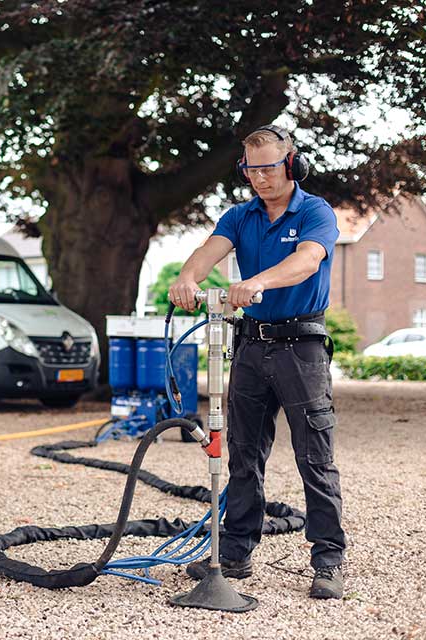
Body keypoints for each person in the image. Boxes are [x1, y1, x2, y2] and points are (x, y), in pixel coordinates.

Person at [168, 124, 346, 599]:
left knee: (315, 456)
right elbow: (209, 252)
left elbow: (308, 261)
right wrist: (187, 276)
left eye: (269, 167)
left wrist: (258, 283)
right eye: (251, 169)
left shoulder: (315, 211)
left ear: (291, 164)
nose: (260, 178)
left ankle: (328, 561)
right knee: (243, 454)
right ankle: (235, 554)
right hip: (250, 347)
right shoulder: (240, 216)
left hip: (301, 347)